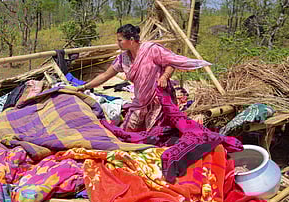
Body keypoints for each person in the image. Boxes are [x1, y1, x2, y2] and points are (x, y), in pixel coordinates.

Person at [77, 24, 211, 132]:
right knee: (127, 131)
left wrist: (164, 77)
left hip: (157, 100)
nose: (118, 43)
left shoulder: (151, 50)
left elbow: (170, 62)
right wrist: (84, 87)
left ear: (131, 40)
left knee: (154, 132)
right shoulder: (123, 58)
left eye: (120, 40)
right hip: (140, 101)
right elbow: (105, 75)